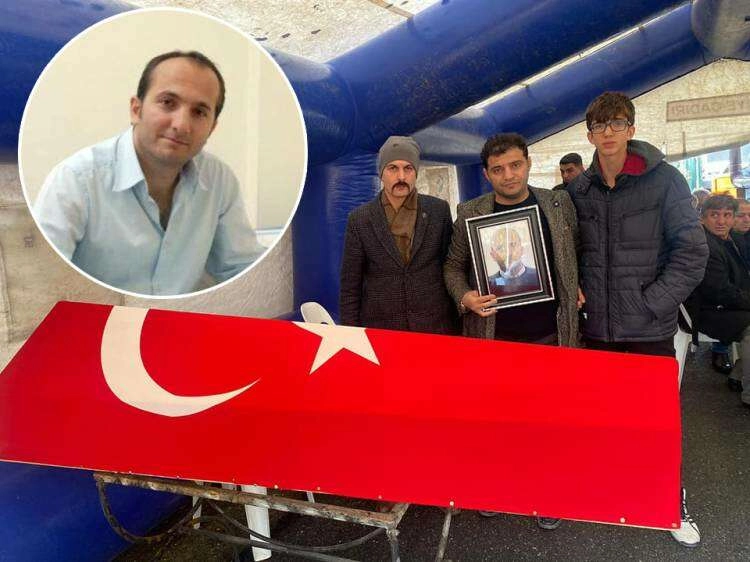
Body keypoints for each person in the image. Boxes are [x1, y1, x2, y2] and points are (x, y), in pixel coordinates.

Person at [565, 91, 708, 547]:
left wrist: (654, 302)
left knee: (658, 424)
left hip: (648, 327)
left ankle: (670, 503)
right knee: (606, 420)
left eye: (616, 123)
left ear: (631, 128)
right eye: (599, 126)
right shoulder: (578, 190)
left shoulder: (665, 181)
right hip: (598, 328)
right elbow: (568, 251)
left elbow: (692, 252)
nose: (607, 132)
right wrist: (574, 285)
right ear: (589, 134)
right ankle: (616, 492)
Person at [34, 50, 263, 296]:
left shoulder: (220, 180)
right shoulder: (75, 181)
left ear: (212, 128)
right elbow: (40, 283)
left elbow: (241, 270)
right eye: (168, 103)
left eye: (199, 112)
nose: (181, 125)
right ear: (136, 109)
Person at [444, 133, 580, 530]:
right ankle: (497, 487)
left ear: (528, 163)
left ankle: (547, 493)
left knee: (548, 422)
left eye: (515, 165)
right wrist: (465, 296)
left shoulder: (557, 203)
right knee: (496, 422)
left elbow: (576, 250)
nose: (509, 175)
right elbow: (452, 267)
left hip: (550, 334)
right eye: (498, 169)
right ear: (487, 174)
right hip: (494, 338)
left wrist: (577, 283)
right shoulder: (470, 212)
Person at [339, 136, 456, 334]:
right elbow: (350, 286)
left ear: (416, 172)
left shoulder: (438, 210)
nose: (401, 176)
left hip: (435, 327)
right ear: (381, 173)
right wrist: (351, 335)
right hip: (382, 329)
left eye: (408, 168)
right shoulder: (360, 219)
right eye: (392, 168)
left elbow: (451, 269)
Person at [688, 195, 749, 405]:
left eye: (727, 215)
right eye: (714, 215)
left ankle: (738, 376)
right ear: (703, 218)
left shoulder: (734, 239)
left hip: (728, 305)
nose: (721, 221)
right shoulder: (704, 245)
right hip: (708, 310)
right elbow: (719, 291)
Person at [487, 226, 539, 296]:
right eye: (500, 248)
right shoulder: (488, 284)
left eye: (513, 245)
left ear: (522, 250)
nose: (509, 253)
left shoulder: (539, 276)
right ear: (493, 255)